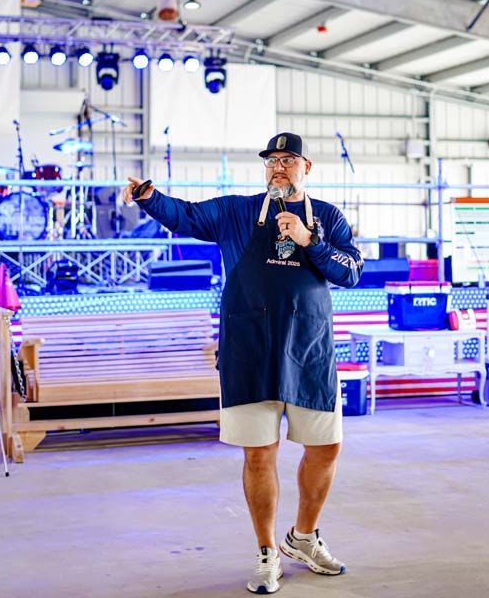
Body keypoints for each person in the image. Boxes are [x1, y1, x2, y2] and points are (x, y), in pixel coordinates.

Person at [123, 132, 363, 594]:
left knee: (326, 447)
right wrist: (149, 197)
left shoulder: (328, 217)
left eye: (288, 159)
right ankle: (268, 551)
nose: (278, 166)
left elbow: (350, 272)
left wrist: (309, 240)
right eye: (272, 160)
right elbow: (186, 215)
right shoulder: (235, 211)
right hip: (248, 350)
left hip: (308, 350)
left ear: (306, 168)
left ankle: (304, 537)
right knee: (259, 454)